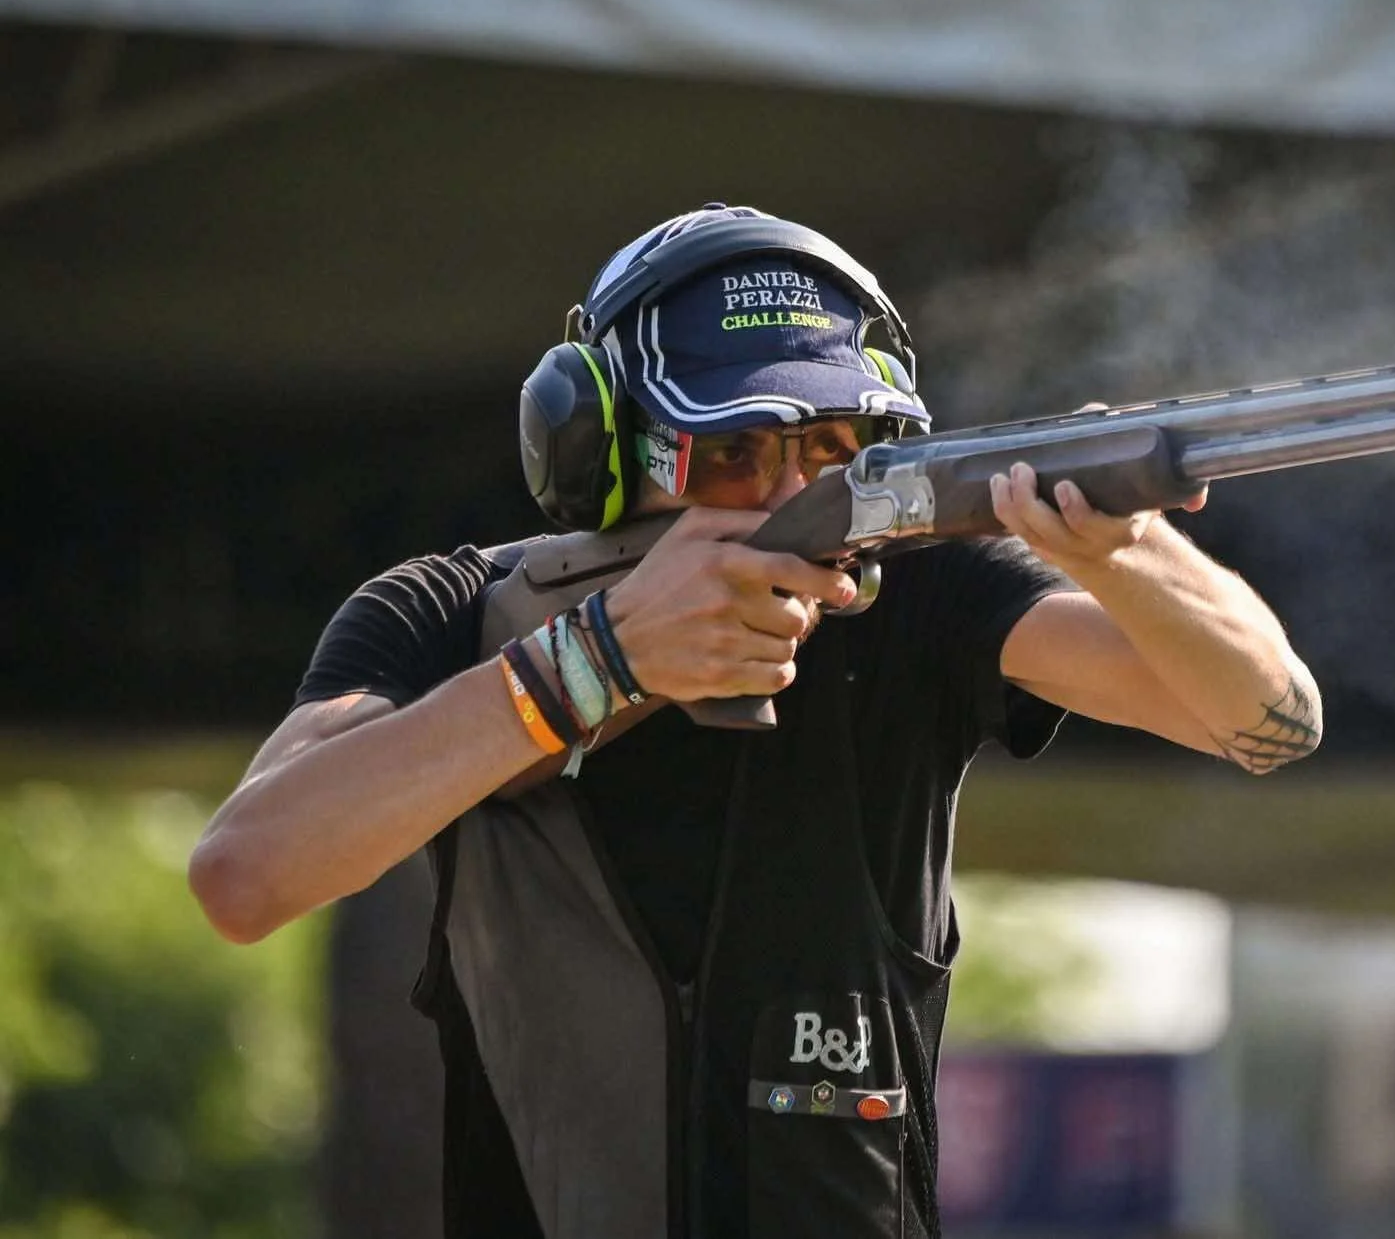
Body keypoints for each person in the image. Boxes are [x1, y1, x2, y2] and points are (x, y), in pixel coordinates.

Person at [188, 203, 1321, 1238]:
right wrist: (595, 664)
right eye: (731, 452)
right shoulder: (452, 615)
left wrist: (1125, 548)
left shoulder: (918, 601)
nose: (786, 495)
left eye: (827, 450)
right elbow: (246, 875)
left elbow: (1265, 717)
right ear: (597, 449)